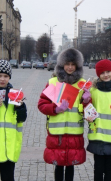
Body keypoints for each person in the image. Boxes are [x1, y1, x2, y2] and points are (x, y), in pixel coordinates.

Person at [38, 48, 86, 181]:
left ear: (77, 65)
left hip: (74, 133)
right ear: (61, 65)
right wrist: (55, 109)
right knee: (58, 165)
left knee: (71, 166)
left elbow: (88, 109)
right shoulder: (53, 82)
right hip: (56, 133)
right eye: (67, 64)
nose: (70, 67)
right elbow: (41, 105)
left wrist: (87, 100)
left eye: (73, 64)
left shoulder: (82, 84)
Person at [83, 59, 111, 181]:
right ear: (98, 75)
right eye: (102, 73)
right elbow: (87, 109)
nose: (106, 75)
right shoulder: (92, 91)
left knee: (109, 169)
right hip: (97, 135)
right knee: (97, 169)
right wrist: (86, 110)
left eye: (108, 71)